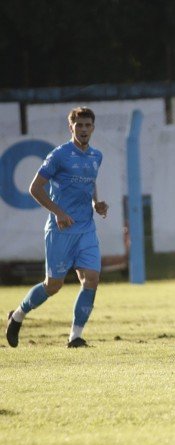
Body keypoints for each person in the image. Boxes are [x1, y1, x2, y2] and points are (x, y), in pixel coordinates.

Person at [5, 107, 108, 348]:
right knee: (53, 286)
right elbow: (34, 188)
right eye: (79, 125)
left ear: (93, 128)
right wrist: (58, 212)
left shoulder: (96, 156)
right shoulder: (59, 155)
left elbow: (90, 183)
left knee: (91, 278)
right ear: (71, 127)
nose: (83, 130)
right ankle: (18, 315)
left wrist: (96, 204)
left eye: (87, 125)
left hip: (85, 229)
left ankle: (75, 337)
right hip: (60, 230)